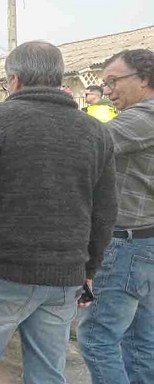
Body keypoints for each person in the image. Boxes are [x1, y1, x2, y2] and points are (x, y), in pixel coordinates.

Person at [0, 41, 118, 384]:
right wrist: (89, 269)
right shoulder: (96, 132)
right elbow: (104, 212)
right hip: (63, 277)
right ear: (57, 77)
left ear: (14, 79)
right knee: (48, 372)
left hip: (2, 271)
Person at [78, 49, 154, 384]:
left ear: (145, 80)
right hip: (144, 244)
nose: (107, 91)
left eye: (113, 81)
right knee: (139, 341)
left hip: (127, 245)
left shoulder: (144, 118)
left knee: (97, 340)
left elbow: (83, 143)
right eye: (104, 83)